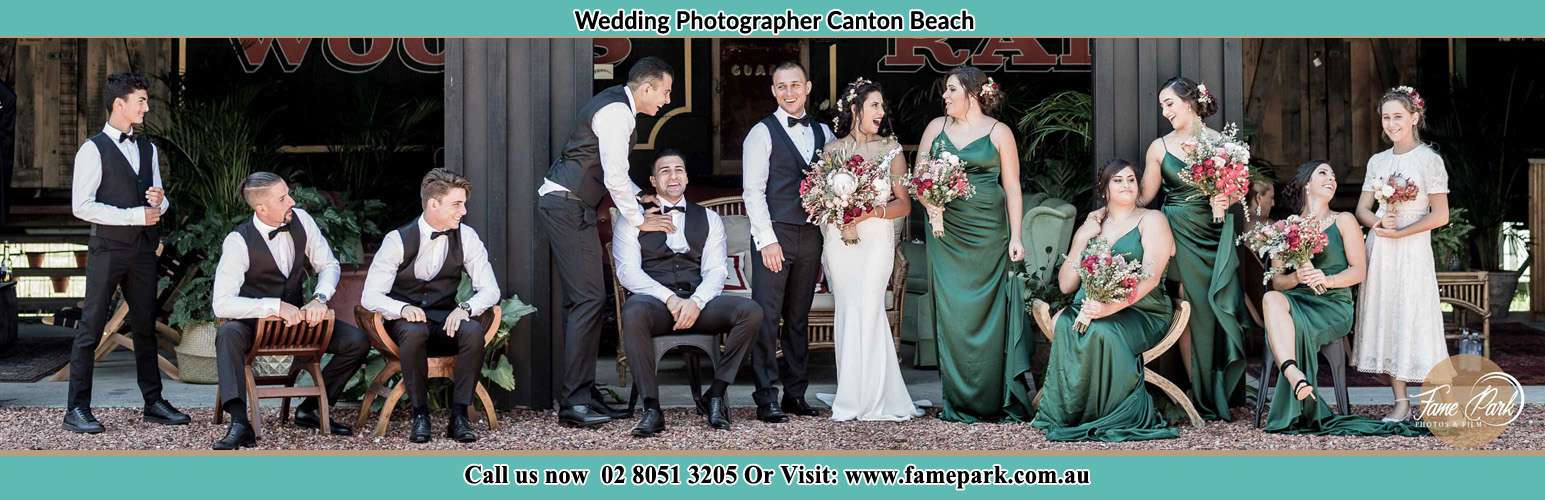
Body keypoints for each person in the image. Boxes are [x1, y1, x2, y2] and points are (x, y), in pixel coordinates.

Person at [536, 56, 676, 427]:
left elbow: (616, 175)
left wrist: (638, 195)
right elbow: (614, 174)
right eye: (664, 92)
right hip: (566, 206)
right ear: (646, 88)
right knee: (589, 299)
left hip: (570, 205)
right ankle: (574, 404)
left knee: (582, 302)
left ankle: (580, 391)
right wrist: (640, 220)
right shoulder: (618, 113)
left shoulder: (616, 104)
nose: (665, 100)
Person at [65, 72, 189, 433]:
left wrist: (160, 201)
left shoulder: (147, 148)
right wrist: (134, 214)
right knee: (91, 326)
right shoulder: (92, 149)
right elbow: (81, 206)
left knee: (145, 327)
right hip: (107, 249)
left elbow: (160, 200)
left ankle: (153, 401)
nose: (146, 107)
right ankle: (76, 408)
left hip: (143, 251)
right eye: (141, 101)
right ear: (119, 104)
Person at [209, 172, 370, 450]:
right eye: (283, 198)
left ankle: (311, 409)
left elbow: (329, 265)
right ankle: (239, 423)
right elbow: (221, 303)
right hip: (253, 326)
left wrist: (320, 298)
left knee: (357, 342)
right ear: (261, 208)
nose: (292, 202)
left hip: (298, 321)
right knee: (227, 333)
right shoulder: (237, 241)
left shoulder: (302, 221)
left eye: (289, 194)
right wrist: (273, 307)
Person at [1262, 161, 1424, 436]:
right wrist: (1297, 278)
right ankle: (1293, 374)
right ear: (1306, 184)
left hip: (1333, 304)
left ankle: (1291, 375)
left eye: (1334, 175)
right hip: (1298, 299)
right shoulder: (1285, 228)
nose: (1332, 179)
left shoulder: (1344, 220)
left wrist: (1327, 279)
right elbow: (1278, 280)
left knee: (1282, 314)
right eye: (1323, 173)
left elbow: (1360, 272)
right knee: (1271, 298)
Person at [612, 150, 760, 437]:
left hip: (697, 302)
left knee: (750, 312)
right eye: (665, 171)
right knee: (633, 311)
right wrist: (670, 299)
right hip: (656, 305)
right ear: (654, 181)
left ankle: (715, 394)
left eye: (679, 169)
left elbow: (716, 271)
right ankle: (652, 408)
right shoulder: (632, 220)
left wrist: (696, 302)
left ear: (687, 177)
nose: (673, 176)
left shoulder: (709, 218)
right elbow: (628, 273)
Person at [915, 66, 1032, 423]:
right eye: (944, 91)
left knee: (990, 312)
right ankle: (958, 399)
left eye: (951, 90)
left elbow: (1012, 187)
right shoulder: (936, 128)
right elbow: (919, 176)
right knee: (953, 314)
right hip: (945, 233)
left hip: (988, 233)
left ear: (973, 93)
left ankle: (995, 397)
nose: (945, 97)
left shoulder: (999, 133)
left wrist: (1016, 236)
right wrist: (930, 203)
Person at [1032, 159, 1178, 442]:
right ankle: (1077, 413)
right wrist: (1081, 239)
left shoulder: (1152, 220)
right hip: (1090, 306)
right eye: (1118, 180)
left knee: (1102, 330)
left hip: (1143, 311)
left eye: (1131, 180)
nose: (1126, 185)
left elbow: (1149, 278)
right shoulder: (1093, 224)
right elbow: (1066, 284)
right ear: (1105, 189)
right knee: (1068, 325)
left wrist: (1109, 307)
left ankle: (1112, 415)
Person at [1133, 77, 1247, 421]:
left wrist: (1227, 197)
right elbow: (1143, 198)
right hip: (1179, 232)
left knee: (1218, 304)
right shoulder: (1159, 148)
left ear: (1190, 102)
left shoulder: (1224, 145)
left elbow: (1241, 192)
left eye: (1169, 103)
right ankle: (1197, 393)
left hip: (1216, 233)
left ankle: (1220, 388)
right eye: (1161, 106)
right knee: (1188, 305)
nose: (1164, 112)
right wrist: (1108, 208)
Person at [363, 169, 501, 443]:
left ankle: (459, 415)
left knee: (472, 331)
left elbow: (490, 289)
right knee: (414, 332)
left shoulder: (467, 237)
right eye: (456, 204)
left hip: (444, 318)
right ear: (433, 203)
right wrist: (401, 309)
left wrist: (465, 308)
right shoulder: (397, 240)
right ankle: (419, 415)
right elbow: (370, 296)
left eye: (464, 203)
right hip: (404, 324)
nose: (463, 211)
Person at [814, 78, 916, 422]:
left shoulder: (892, 150)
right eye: (875, 105)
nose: (881, 112)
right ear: (856, 110)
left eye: (882, 106)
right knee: (847, 309)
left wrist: (870, 212)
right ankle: (851, 393)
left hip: (875, 239)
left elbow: (904, 205)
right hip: (840, 240)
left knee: (870, 308)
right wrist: (838, 215)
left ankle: (875, 396)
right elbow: (819, 201)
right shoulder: (832, 151)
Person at [740, 61, 834, 421]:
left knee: (798, 318)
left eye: (795, 85)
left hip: (811, 235)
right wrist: (767, 240)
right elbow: (752, 191)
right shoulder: (761, 133)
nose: (789, 93)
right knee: (766, 317)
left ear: (807, 87)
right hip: (774, 234)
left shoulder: (825, 133)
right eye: (781, 86)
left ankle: (796, 394)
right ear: (773, 91)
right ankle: (766, 397)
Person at [1352, 86, 1451, 422]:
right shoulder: (1378, 161)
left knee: (1416, 315)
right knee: (1389, 316)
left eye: (1398, 116)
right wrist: (1379, 223)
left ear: (1414, 117)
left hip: (1413, 247)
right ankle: (1401, 402)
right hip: (1382, 249)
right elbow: (1362, 209)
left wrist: (1402, 232)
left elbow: (1440, 215)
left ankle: (1433, 401)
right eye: (1386, 117)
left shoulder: (1429, 160)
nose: (1391, 123)